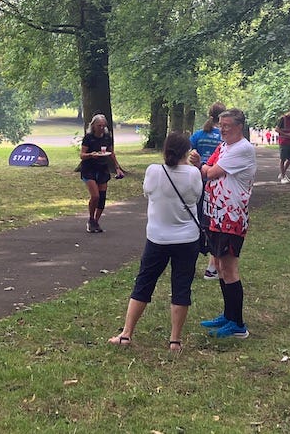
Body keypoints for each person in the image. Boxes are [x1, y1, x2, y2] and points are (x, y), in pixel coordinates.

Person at [108, 133, 203, 352]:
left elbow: (147, 194)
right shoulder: (193, 174)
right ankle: (175, 340)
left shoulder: (153, 171)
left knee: (144, 283)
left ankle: (126, 334)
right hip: (187, 239)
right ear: (187, 152)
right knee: (181, 286)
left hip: (157, 238)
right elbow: (196, 198)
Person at [198, 107, 257, 338]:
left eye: (227, 126)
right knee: (221, 267)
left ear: (239, 127)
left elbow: (210, 172)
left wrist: (204, 167)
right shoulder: (224, 146)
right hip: (216, 214)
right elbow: (208, 165)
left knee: (230, 269)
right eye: (220, 125)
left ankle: (238, 324)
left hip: (231, 217)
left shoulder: (243, 149)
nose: (222, 130)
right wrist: (204, 167)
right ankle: (228, 315)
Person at [189, 103, 225, 279]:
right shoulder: (223, 136)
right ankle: (212, 267)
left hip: (197, 181)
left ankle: (189, 263)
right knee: (213, 223)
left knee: (195, 221)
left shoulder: (199, 134)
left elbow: (189, 152)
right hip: (216, 183)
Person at [79, 113, 121, 232]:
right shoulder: (88, 137)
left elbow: (111, 153)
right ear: (93, 126)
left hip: (102, 168)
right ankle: (91, 218)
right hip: (89, 169)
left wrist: (117, 168)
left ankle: (95, 222)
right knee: (95, 196)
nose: (102, 128)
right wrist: (91, 155)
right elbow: (82, 155)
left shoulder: (107, 137)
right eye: (99, 125)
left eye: (103, 125)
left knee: (102, 198)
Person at [275, 107, 290, 184]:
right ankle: (283, 177)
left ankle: (283, 173)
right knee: (283, 159)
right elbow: (277, 129)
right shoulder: (282, 119)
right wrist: (286, 134)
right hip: (283, 141)